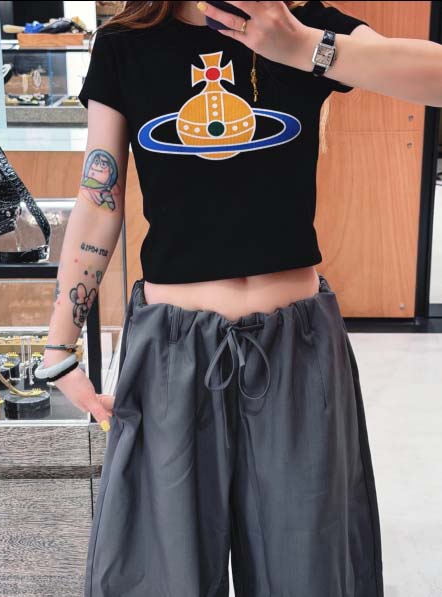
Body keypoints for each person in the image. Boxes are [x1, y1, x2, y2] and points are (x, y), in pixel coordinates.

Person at [38, 1, 441, 595]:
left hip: (296, 349)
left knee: (307, 571)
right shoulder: (125, 43)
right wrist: (58, 346)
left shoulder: (303, 25)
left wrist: (304, 48)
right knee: (161, 573)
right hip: (172, 351)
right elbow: (100, 198)